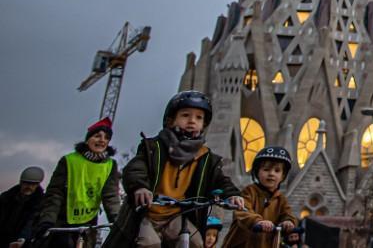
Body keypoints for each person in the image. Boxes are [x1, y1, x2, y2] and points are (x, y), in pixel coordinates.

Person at [101, 91, 245, 248]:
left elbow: (220, 180)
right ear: (170, 121)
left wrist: (232, 195)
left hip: (175, 215)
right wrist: (140, 187)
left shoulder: (205, 157)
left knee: (195, 242)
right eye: (185, 115)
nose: (192, 121)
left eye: (198, 117)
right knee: (150, 243)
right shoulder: (154, 147)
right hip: (149, 214)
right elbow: (135, 169)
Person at [36, 118, 122, 248]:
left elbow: (111, 196)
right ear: (88, 139)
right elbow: (55, 193)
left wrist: (117, 222)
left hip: (89, 221)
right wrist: (47, 220)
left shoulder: (110, 165)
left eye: (106, 138)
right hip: (63, 219)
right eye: (97, 136)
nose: (102, 140)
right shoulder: (69, 161)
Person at [221, 147, 297, 248]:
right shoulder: (249, 192)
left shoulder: (281, 199)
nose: (271, 174)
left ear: (283, 176)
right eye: (266, 169)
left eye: (277, 170)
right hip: (243, 244)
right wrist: (258, 221)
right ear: (257, 172)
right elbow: (243, 211)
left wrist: (288, 222)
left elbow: (287, 213)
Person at [1, 167, 45, 248]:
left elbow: (31, 222)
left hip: (20, 242)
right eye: (26, 183)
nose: (29, 186)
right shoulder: (6, 198)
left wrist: (22, 239)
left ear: (38, 184)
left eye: (33, 184)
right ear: (21, 182)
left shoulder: (40, 203)